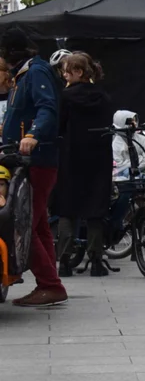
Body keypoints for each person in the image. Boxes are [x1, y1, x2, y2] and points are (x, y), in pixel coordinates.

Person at [0, 27, 67, 306]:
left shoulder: (36, 72)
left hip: (36, 160)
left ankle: (50, 285)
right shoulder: (24, 73)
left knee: (21, 223)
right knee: (37, 225)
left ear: (9, 53)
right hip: (28, 160)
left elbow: (47, 108)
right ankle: (49, 282)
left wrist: (32, 135)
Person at [54, 52, 114, 277]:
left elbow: (59, 126)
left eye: (66, 70)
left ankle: (65, 261)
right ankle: (96, 260)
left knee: (67, 208)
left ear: (78, 72)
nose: (64, 75)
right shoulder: (103, 96)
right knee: (95, 209)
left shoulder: (66, 97)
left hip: (71, 155)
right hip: (98, 157)